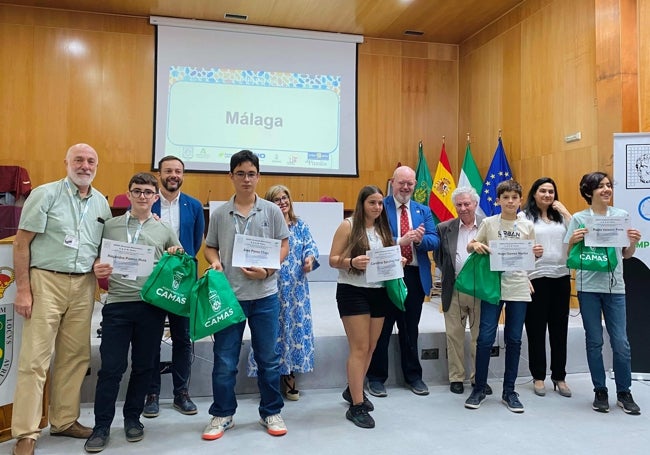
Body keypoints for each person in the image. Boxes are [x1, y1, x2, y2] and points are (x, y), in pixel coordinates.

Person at [11, 144, 112, 455]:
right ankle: (26, 433)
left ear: (97, 166)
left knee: (75, 357)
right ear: (66, 162)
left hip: (84, 285)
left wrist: (100, 267)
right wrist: (24, 289)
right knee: (35, 360)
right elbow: (21, 243)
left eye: (90, 161)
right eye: (78, 160)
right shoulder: (45, 194)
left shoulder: (101, 204)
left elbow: (101, 250)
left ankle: (65, 420)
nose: (85, 166)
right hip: (45, 281)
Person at [84, 173, 183, 453]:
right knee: (111, 368)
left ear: (155, 197)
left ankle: (132, 419)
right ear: (128, 195)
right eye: (137, 191)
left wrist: (176, 253)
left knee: (143, 367)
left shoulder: (163, 229)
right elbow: (95, 257)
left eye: (147, 192)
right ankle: (101, 426)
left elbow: (179, 260)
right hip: (117, 305)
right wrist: (97, 267)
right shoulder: (111, 226)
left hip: (150, 307)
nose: (142, 196)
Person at [202, 150, 290, 440]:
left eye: (251, 173)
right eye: (240, 173)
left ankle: (271, 411)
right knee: (225, 359)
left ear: (258, 176)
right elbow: (210, 246)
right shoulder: (219, 214)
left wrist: (267, 271)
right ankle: (222, 414)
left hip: (265, 295)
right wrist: (214, 262)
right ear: (231, 176)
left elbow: (283, 246)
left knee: (268, 358)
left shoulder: (272, 211)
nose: (246, 179)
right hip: (230, 297)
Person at [565, 171, 642, 415]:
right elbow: (570, 256)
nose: (606, 190)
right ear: (589, 192)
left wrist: (633, 242)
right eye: (600, 186)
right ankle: (600, 390)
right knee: (594, 341)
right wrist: (574, 240)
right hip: (589, 288)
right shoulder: (579, 218)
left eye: (608, 185)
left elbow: (626, 255)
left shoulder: (621, 216)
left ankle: (624, 391)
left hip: (616, 288)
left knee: (621, 343)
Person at [464, 179, 542, 413]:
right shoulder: (489, 223)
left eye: (514, 198)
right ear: (498, 200)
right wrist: (475, 246)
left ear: (520, 201)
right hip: (493, 286)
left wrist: (537, 253)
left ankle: (509, 390)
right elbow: (471, 245)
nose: (510, 201)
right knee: (485, 338)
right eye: (505, 197)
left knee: (515, 340)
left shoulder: (527, 226)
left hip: (518, 286)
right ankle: (479, 388)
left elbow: (531, 256)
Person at [366, 166, 439, 397]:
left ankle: (413, 377)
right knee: (382, 328)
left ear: (415, 185)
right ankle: (376, 378)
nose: (405, 187)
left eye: (410, 183)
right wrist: (400, 240)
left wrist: (418, 240)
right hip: (387, 275)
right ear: (392, 182)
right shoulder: (380, 206)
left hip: (414, 276)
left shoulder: (423, 210)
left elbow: (434, 239)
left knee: (410, 329)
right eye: (401, 183)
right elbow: (372, 237)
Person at [329, 185, 398, 429]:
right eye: (372, 203)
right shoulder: (348, 226)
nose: (377, 207)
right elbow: (332, 259)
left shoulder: (383, 227)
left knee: (370, 346)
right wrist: (351, 261)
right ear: (362, 204)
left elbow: (387, 258)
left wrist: (396, 260)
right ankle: (356, 407)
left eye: (380, 203)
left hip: (379, 292)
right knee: (359, 348)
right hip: (353, 291)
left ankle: (353, 390)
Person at [143, 155, 204, 418]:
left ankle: (181, 393)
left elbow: (196, 242)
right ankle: (152, 394)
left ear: (183, 175)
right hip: (154, 279)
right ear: (159, 174)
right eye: (168, 170)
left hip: (183, 282)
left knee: (182, 338)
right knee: (151, 339)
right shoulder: (147, 202)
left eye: (178, 171)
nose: (173, 175)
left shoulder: (194, 205)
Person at [247, 184, 319, 401]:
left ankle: (289, 376)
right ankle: (268, 380)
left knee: (293, 332)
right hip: (270, 288)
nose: (283, 202)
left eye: (285, 198)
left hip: (296, 291)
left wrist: (310, 259)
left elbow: (311, 247)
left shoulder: (301, 225)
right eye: (277, 199)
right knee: (269, 333)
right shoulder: (265, 226)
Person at [434, 186, 492, 395]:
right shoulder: (444, 228)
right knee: (454, 336)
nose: (463, 208)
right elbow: (439, 258)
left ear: (475, 204)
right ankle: (456, 377)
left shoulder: (488, 226)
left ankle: (479, 378)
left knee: (480, 338)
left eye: (467, 203)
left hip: (481, 290)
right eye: (459, 204)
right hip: (455, 289)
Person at [522, 177, 573, 398]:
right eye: (542, 191)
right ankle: (539, 376)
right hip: (536, 278)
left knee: (559, 330)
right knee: (536, 330)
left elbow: (579, 235)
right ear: (534, 194)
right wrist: (524, 276)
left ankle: (559, 377)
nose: (547, 195)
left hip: (561, 277)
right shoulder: (524, 217)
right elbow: (517, 247)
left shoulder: (562, 217)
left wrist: (566, 211)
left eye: (551, 191)